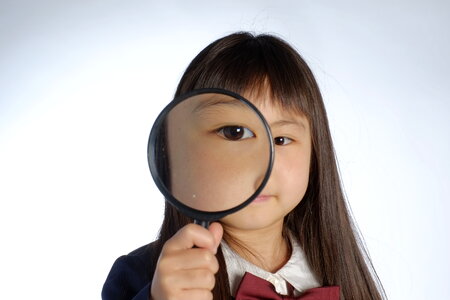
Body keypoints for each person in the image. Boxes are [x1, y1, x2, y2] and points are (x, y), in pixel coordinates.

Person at [102, 32, 386, 300]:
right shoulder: (142, 277)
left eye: (282, 139)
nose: (262, 163)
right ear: (180, 150)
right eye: (235, 133)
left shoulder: (341, 270)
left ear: (315, 154)